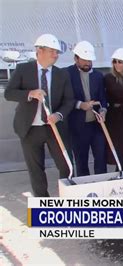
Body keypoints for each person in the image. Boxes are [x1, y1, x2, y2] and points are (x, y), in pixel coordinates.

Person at [4, 33, 75, 197]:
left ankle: (66, 199)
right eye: (52, 51)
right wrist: (30, 93)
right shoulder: (23, 69)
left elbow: (69, 100)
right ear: (39, 51)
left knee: (66, 164)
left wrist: (59, 115)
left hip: (54, 128)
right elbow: (9, 93)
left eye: (57, 52)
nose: (56, 55)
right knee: (36, 169)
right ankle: (44, 204)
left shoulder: (62, 74)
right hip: (30, 128)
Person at [66, 41, 107, 177]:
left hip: (96, 125)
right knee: (81, 161)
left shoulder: (98, 76)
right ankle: (86, 190)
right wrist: (80, 105)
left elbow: (103, 99)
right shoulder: (67, 74)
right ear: (75, 58)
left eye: (89, 60)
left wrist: (103, 111)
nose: (87, 63)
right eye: (84, 60)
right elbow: (64, 99)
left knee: (101, 158)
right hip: (78, 126)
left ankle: (102, 187)